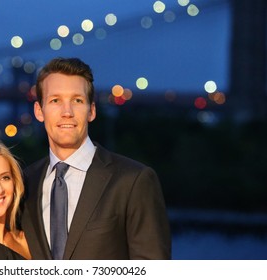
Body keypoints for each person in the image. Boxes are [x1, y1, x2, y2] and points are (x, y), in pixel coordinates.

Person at [21, 57, 171, 259]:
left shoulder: (133, 181)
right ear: (39, 111)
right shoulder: (24, 183)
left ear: (91, 111)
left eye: (77, 100)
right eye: (55, 100)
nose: (67, 112)